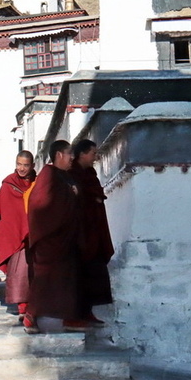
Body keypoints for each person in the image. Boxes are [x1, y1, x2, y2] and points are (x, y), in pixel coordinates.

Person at [26, 140, 83, 333]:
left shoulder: (64, 176)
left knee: (68, 278)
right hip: (49, 238)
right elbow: (39, 204)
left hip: (65, 236)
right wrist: (70, 194)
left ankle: (69, 317)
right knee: (43, 279)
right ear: (59, 154)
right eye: (69, 155)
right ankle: (30, 315)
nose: (72, 159)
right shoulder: (48, 175)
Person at [71, 140, 114, 326]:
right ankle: (74, 315)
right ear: (82, 154)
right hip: (79, 233)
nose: (96, 157)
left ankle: (87, 312)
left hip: (94, 232)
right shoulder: (71, 174)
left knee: (94, 274)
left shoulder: (89, 174)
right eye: (92, 153)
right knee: (78, 275)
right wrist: (91, 197)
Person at [0, 151, 35, 321]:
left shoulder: (37, 183)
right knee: (19, 272)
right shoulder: (8, 185)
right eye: (19, 164)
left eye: (26, 165)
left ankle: (35, 306)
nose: (22, 168)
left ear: (32, 166)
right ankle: (22, 307)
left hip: (35, 234)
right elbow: (5, 213)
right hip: (16, 236)